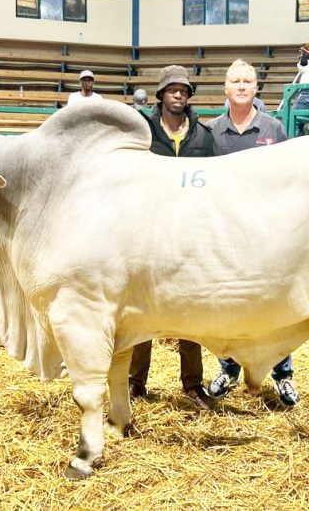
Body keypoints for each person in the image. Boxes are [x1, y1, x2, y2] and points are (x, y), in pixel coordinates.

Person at [206, 59, 298, 407]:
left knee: (276, 305)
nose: (242, 86)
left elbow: (289, 176)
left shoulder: (273, 127)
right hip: (224, 234)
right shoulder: (212, 131)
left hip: (267, 232)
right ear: (226, 89)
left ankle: (282, 374)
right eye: (236, 81)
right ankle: (228, 368)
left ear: (256, 88)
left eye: (248, 81)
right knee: (226, 303)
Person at [129, 65, 214, 411]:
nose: (178, 94)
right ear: (161, 94)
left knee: (189, 311)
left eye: (184, 90)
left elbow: (214, 181)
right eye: (172, 89)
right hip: (148, 230)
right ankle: (136, 383)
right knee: (142, 310)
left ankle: (192, 385)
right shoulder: (143, 131)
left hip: (190, 233)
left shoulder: (203, 136)